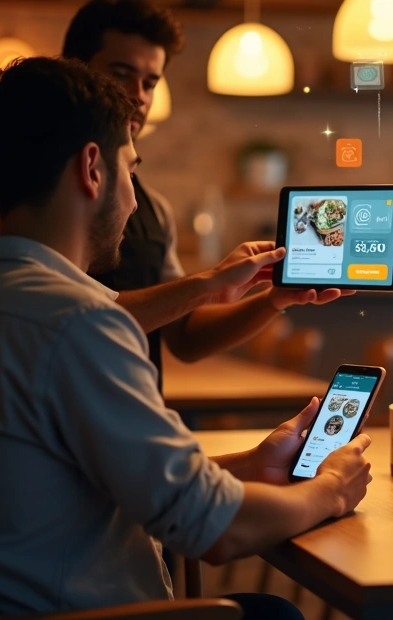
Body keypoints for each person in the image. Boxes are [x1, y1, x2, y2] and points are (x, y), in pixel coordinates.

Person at [0, 57, 370, 620]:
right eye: (132, 168)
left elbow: (76, 480)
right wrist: (330, 490)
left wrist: (250, 467)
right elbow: (218, 534)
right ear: (92, 169)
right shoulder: (78, 325)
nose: (132, 199)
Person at [63, 0, 349, 388]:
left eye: (150, 82)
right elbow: (67, 318)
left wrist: (273, 300)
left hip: (134, 426)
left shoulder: (154, 210)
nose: (139, 96)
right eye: (121, 74)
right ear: (75, 71)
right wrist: (210, 282)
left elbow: (185, 337)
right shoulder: (45, 188)